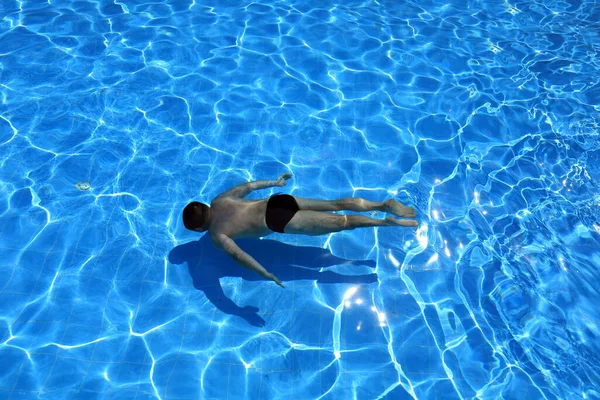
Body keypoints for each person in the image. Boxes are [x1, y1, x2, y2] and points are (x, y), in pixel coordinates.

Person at [182, 173, 418, 288]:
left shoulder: (215, 235)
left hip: (277, 220)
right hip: (277, 201)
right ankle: (380, 205)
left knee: (344, 222)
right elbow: (250, 186)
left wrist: (266, 274)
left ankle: (385, 223)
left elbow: (239, 256)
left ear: (199, 227)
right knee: (335, 205)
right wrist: (275, 183)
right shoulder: (219, 199)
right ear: (204, 207)